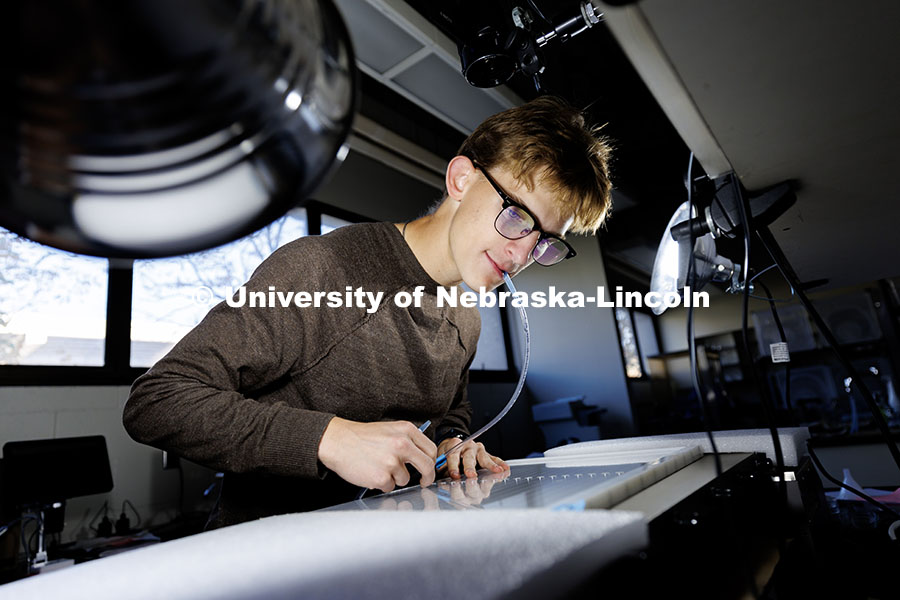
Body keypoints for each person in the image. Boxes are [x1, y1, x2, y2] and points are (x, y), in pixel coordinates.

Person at [123, 95, 613, 529]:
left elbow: (450, 412)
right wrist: (328, 439)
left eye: (546, 242)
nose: (522, 253)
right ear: (462, 178)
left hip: (381, 556)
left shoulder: (467, 316)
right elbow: (158, 401)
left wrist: (455, 444)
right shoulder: (322, 270)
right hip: (270, 565)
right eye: (517, 216)